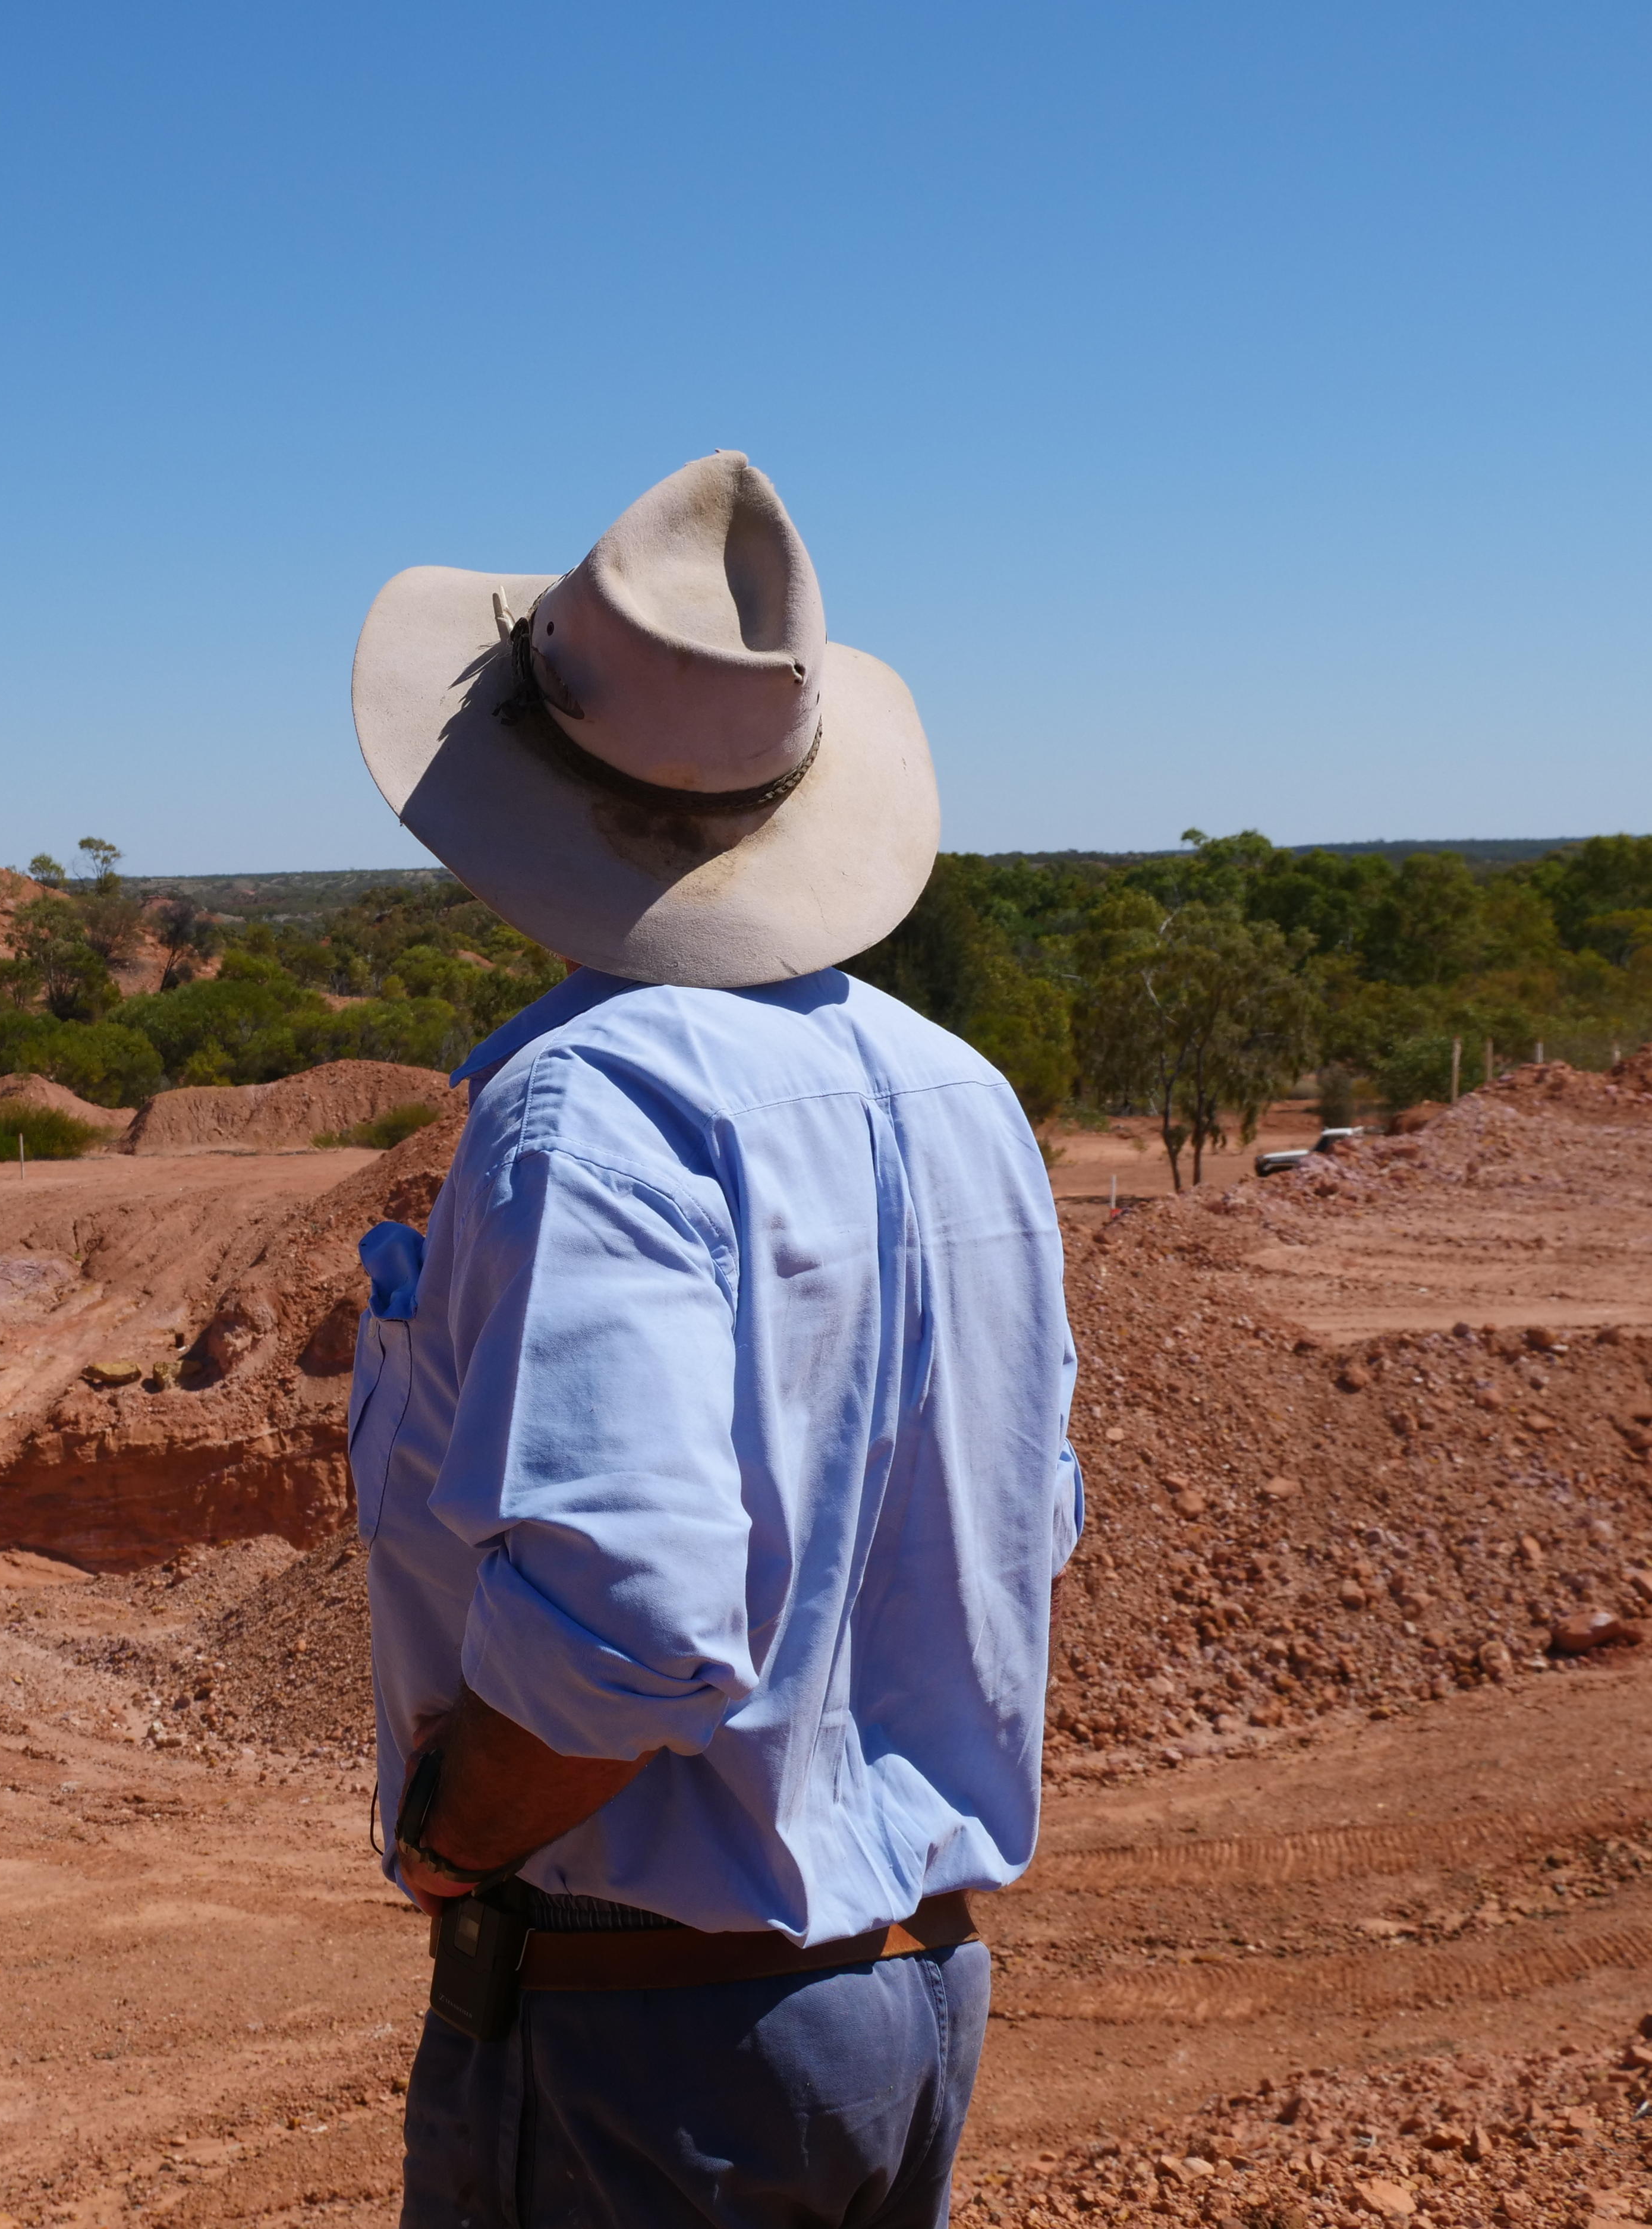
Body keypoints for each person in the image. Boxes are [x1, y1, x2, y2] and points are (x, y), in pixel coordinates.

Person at [345, 452, 1084, 2229]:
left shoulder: (587, 1113)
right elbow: (1028, 1520)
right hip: (910, 1999)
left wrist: (451, 1838)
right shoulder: (958, 1093)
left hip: (653, 2045)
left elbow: (634, 1631)